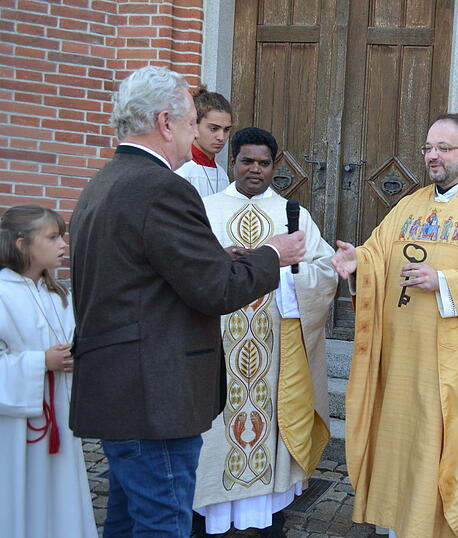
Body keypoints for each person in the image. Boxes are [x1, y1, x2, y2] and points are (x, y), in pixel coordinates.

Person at [69, 65, 305, 537]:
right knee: (163, 523)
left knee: (126, 519)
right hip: (155, 394)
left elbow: (143, 272)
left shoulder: (106, 181)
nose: (197, 132)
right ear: (165, 123)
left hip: (120, 386)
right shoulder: (161, 188)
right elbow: (215, 290)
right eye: (194, 120)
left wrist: (219, 257)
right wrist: (271, 255)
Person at [331, 113, 458, 537]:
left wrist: (445, 283)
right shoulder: (412, 204)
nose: (432, 156)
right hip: (404, 361)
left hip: (454, 367)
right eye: (428, 148)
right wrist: (358, 260)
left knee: (446, 455)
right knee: (408, 451)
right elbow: (380, 251)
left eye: (443, 148)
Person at [192, 127, 338, 537]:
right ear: (232, 162)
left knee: (270, 427)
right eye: (247, 161)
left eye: (264, 163)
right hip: (217, 349)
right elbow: (187, 271)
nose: (255, 169)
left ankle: (265, 515)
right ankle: (209, 518)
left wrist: (287, 277)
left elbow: (323, 269)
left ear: (275, 166)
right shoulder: (205, 210)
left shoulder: (293, 214)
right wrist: (222, 262)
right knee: (214, 432)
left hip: (275, 350)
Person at [0, 205, 97, 538]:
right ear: (21, 244)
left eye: (62, 237)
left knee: (59, 496)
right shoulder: (1, 293)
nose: (62, 245)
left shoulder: (60, 295)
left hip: (60, 415)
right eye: (53, 237)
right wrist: (41, 362)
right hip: (13, 428)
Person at [174, 87, 233, 197]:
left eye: (226, 130)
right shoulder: (180, 171)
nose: (221, 137)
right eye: (214, 128)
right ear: (195, 125)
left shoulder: (222, 175)